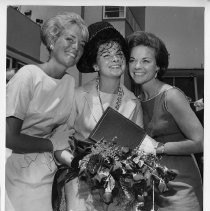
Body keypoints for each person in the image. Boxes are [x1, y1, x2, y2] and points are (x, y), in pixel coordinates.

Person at [55, 21, 152, 211]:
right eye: (106, 55)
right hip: (80, 182)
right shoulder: (77, 95)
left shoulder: (134, 102)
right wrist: (79, 164)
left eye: (119, 54)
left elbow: (139, 149)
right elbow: (57, 143)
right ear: (94, 64)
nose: (115, 59)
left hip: (119, 187)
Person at [6, 12, 89, 211]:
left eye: (82, 43)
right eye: (70, 38)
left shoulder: (69, 83)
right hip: (16, 172)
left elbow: (61, 137)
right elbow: (8, 137)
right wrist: (51, 144)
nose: (76, 47)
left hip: (46, 170)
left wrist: (82, 165)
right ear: (52, 40)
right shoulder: (28, 76)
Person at [127, 31, 203, 211]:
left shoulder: (171, 96)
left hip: (181, 188)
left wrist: (158, 147)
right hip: (152, 189)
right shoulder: (137, 99)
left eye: (146, 61)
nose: (137, 66)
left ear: (158, 66)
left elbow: (201, 142)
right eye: (132, 60)